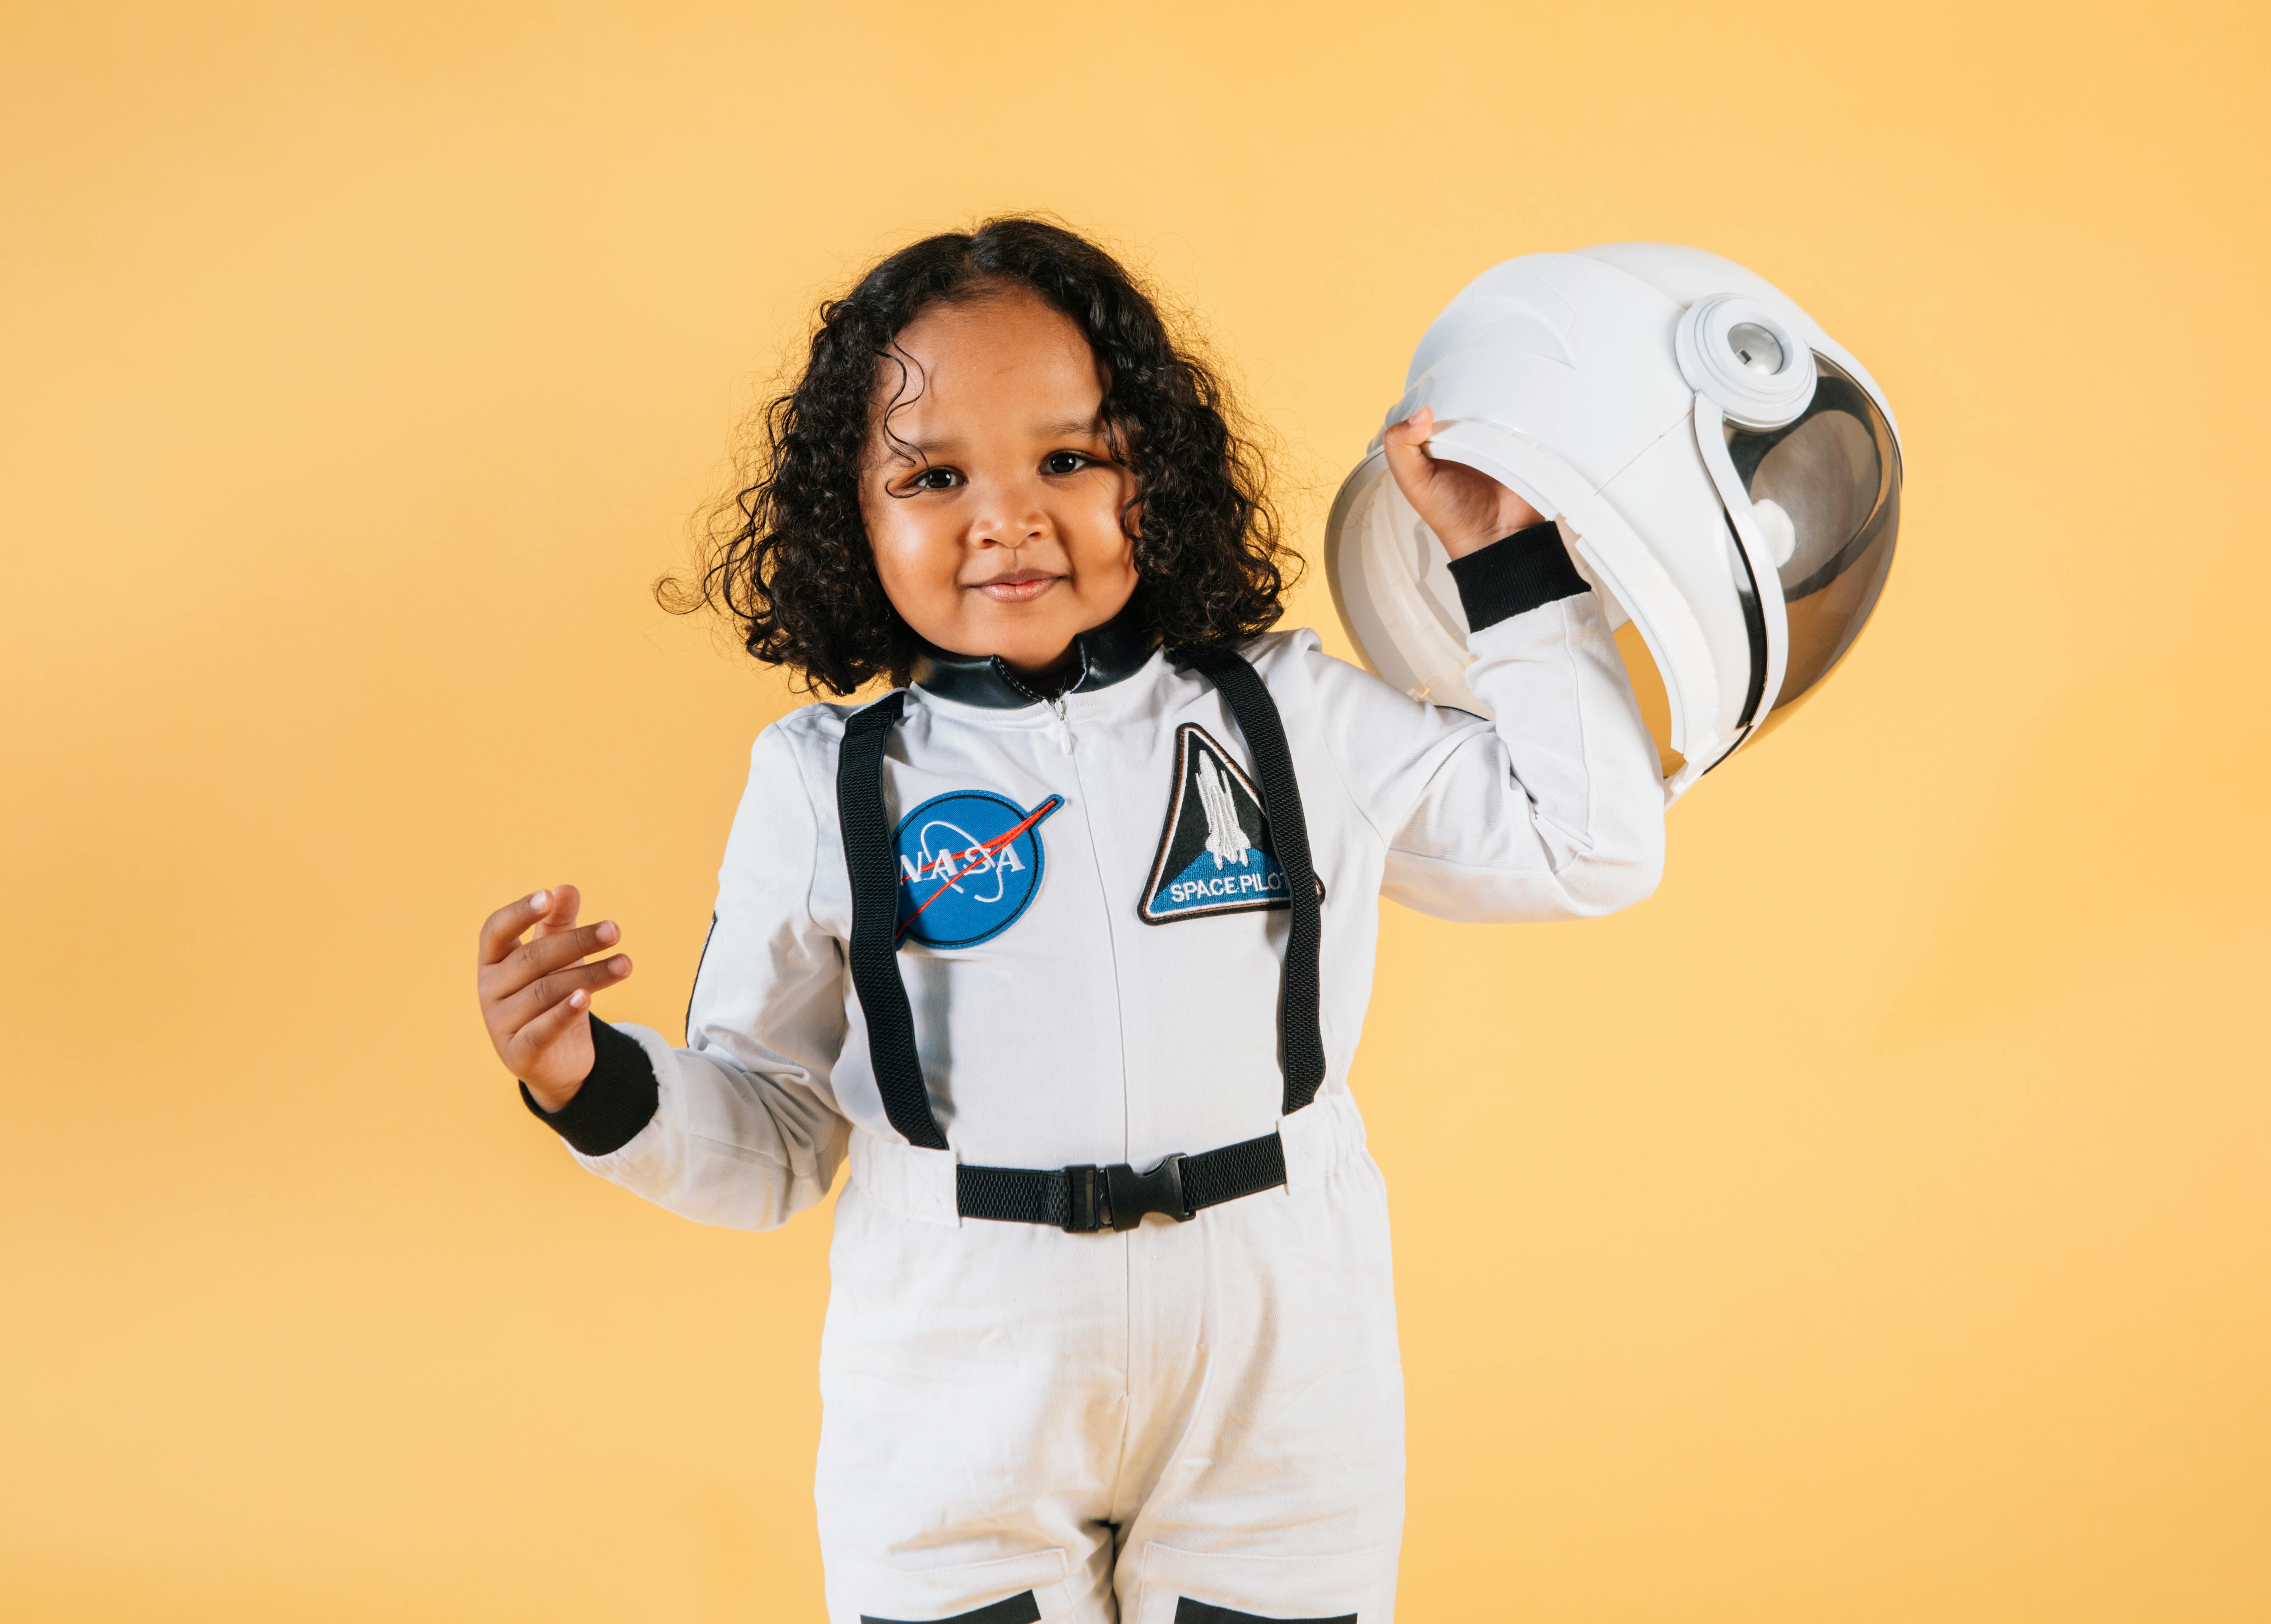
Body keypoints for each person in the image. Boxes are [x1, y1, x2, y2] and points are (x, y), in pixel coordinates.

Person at [473, 217, 1666, 1624]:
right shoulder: (828, 781)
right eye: (932, 475)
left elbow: (1588, 842)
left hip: (1279, 1341)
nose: (1008, 517)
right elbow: (777, 1150)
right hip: (956, 1361)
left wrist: (1508, 570)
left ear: (1151, 476)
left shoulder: (1286, 713)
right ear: (852, 519)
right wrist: (586, 1078)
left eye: (1069, 458)